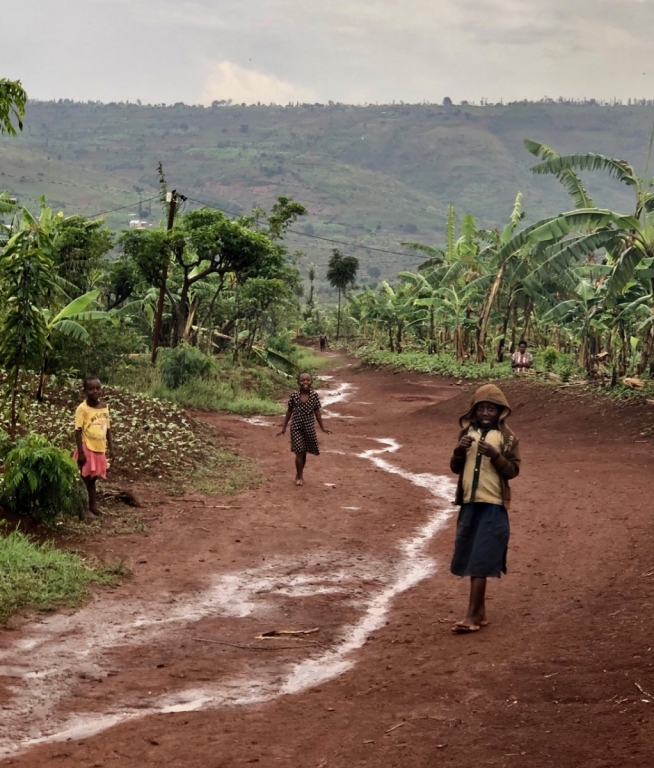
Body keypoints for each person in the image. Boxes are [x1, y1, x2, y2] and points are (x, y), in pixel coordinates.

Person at [449, 383, 521, 634]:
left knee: (480, 560)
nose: (486, 413)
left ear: (501, 411)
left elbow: (513, 470)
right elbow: (455, 468)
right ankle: (479, 613)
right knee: (472, 557)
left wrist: (495, 455)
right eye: (481, 408)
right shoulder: (466, 433)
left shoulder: (507, 438)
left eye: (491, 409)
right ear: (474, 410)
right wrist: (460, 450)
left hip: (493, 505)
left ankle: (470, 616)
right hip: (470, 503)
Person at [277, 372, 331, 486]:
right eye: (302, 380)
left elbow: (317, 412)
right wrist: (283, 428)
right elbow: (289, 412)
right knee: (299, 451)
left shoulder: (314, 396)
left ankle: (299, 473)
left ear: (311, 382)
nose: (305, 382)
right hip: (296, 427)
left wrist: (322, 427)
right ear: (298, 382)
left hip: (309, 427)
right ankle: (300, 477)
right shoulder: (294, 396)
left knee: (304, 452)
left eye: (307, 380)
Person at [74, 375, 115, 518]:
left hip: (99, 448)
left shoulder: (104, 407)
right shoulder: (82, 409)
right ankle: (84, 510)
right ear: (84, 391)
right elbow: (78, 431)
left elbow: (108, 429)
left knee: (93, 479)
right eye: (91, 389)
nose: (95, 391)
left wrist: (111, 448)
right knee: (84, 479)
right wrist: (81, 453)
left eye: (98, 388)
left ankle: (93, 506)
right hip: (87, 448)